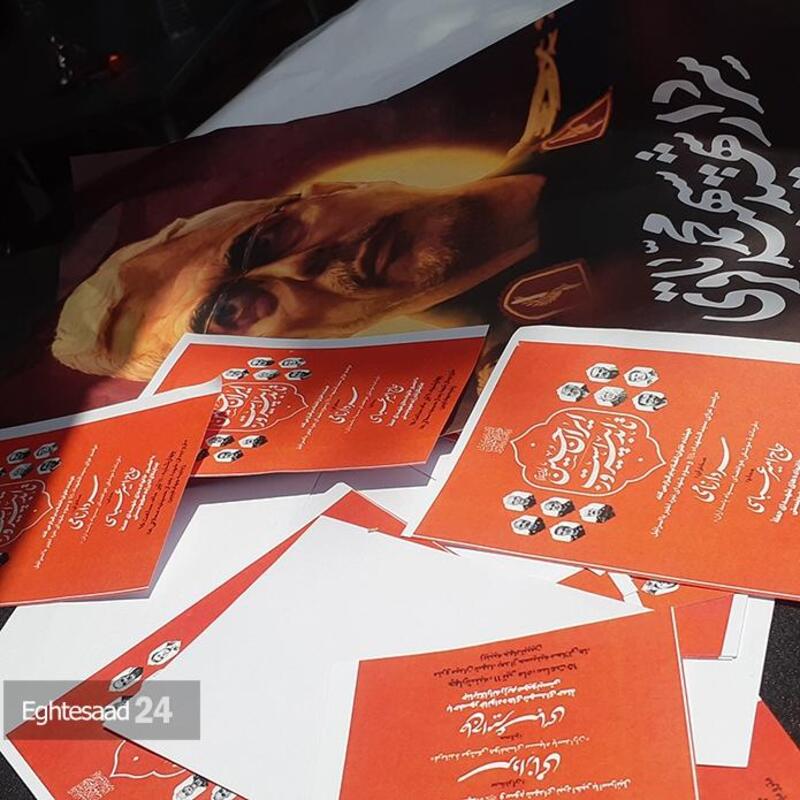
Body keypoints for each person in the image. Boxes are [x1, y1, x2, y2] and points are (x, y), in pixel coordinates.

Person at [51, 26, 611, 382]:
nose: (301, 266)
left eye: (267, 241)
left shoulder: (585, 57)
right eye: (234, 312)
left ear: (334, 190)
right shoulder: (547, 369)